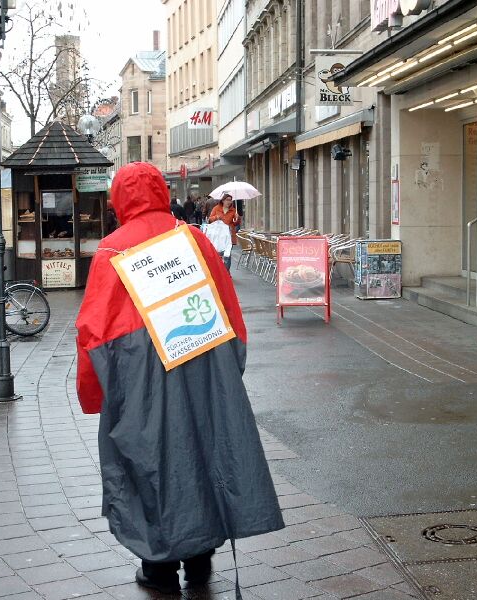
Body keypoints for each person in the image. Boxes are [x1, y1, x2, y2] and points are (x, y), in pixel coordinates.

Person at [76, 162, 284, 594]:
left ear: (119, 200)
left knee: (148, 460)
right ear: (160, 191)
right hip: (202, 362)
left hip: (139, 377)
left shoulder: (111, 252)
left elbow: (92, 331)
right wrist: (230, 365)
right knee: (202, 454)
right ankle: (199, 558)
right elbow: (228, 303)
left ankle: (158, 566)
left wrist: (94, 393)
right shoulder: (193, 239)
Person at [208, 194, 240, 269]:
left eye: (230, 200)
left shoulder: (233, 210)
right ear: (223, 200)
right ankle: (219, 271)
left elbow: (235, 223)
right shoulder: (216, 208)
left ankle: (227, 272)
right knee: (218, 254)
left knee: (227, 254)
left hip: (229, 235)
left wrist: (237, 218)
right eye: (227, 200)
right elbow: (210, 220)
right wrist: (216, 217)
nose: (229, 202)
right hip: (218, 235)